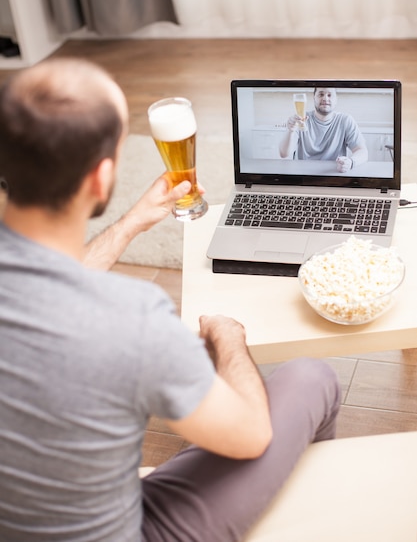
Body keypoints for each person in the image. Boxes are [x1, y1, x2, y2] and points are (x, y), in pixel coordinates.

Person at [0, 58, 341, 542]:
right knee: (313, 376)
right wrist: (228, 337)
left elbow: (49, 287)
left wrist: (132, 222)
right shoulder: (132, 319)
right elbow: (250, 436)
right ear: (102, 179)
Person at [279, 87, 368, 173]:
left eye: (329, 95)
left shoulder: (345, 120)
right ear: (314, 97)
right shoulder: (301, 118)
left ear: (336, 99)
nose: (325, 98)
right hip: (302, 177)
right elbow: (284, 154)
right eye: (321, 94)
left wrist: (350, 162)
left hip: (332, 176)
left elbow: (362, 151)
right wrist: (290, 131)